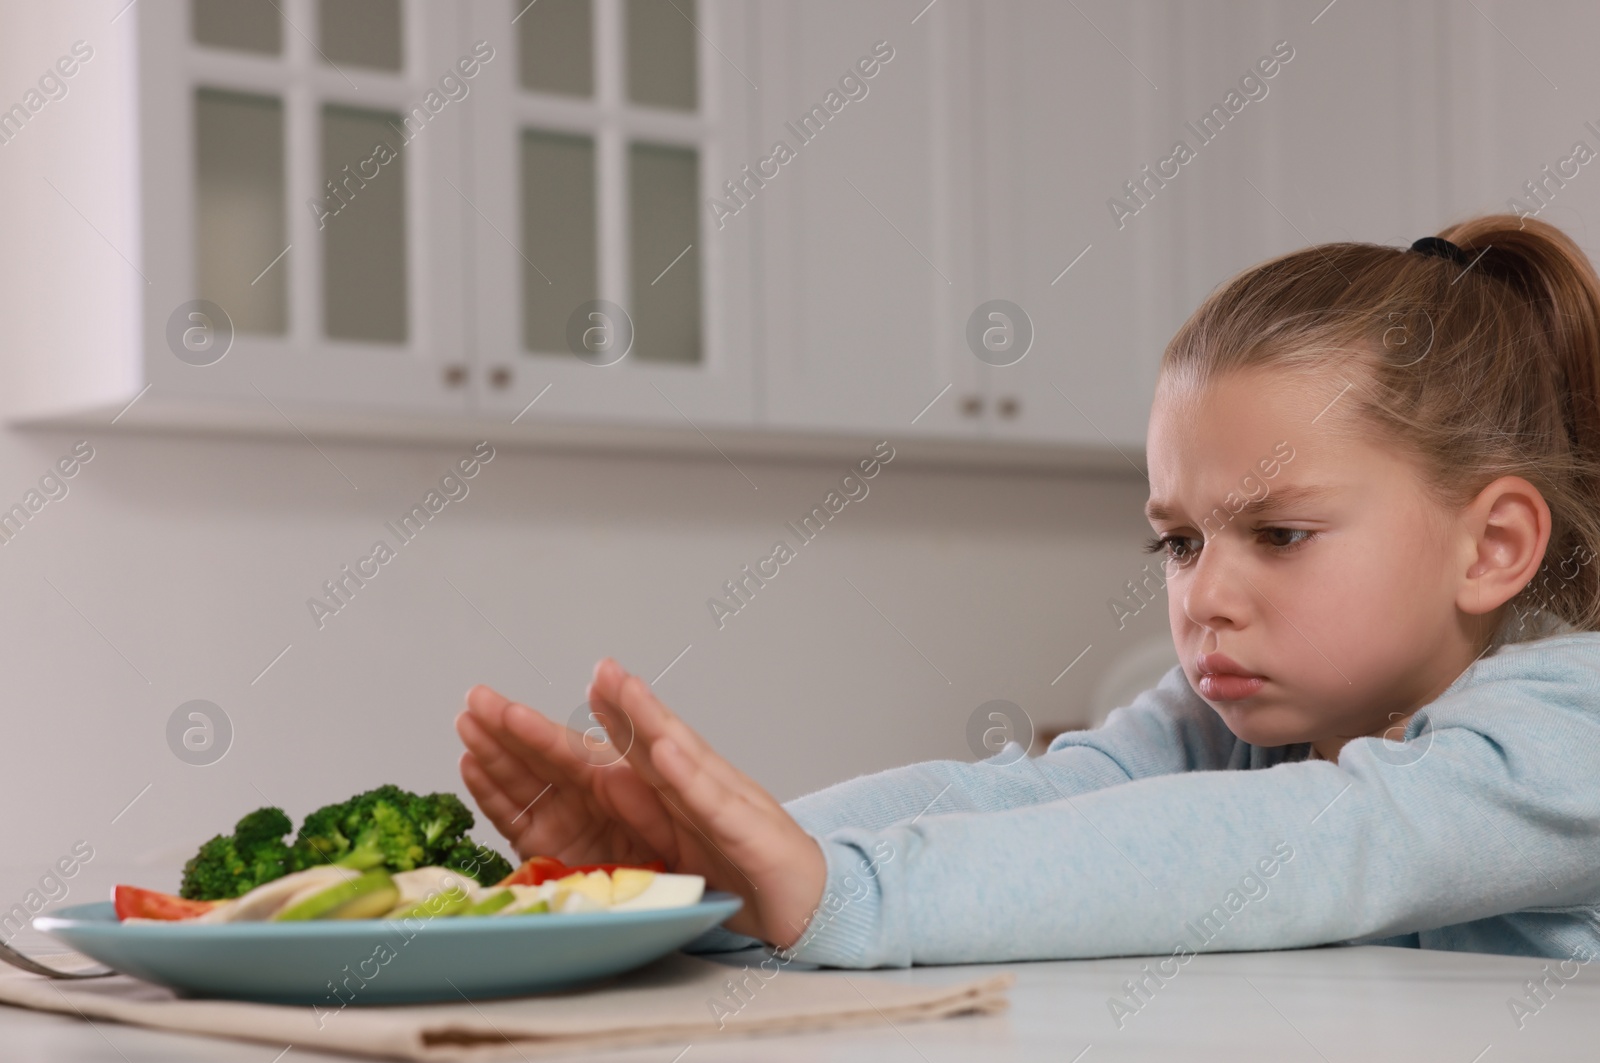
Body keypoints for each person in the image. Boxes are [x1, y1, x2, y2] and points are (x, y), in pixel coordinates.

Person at [455, 214, 1600, 969]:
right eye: (1180, 542)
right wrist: (705, 867)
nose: (1207, 596)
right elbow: (1039, 799)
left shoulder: (1568, 727)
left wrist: (841, 892)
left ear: (1492, 544)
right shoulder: (1237, 716)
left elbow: (1320, 839)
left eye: (1279, 532)